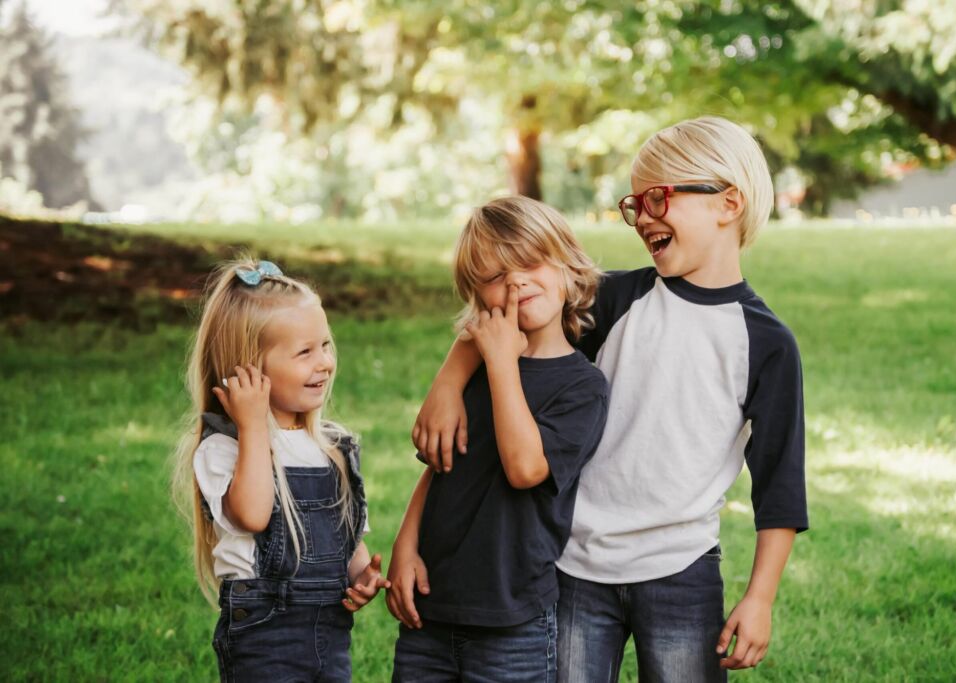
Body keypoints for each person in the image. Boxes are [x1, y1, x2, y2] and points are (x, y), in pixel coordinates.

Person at [412, 116, 808, 681]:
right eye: (635, 205)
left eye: (657, 199)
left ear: (728, 203)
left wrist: (760, 599)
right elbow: (511, 312)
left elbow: (781, 489)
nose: (643, 218)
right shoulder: (617, 297)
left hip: (682, 570)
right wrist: (448, 384)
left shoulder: (765, 343)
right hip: (575, 565)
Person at [386, 196, 610, 682]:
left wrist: (500, 362)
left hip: (514, 621)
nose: (515, 281)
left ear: (567, 268)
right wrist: (406, 546)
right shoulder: (473, 369)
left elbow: (525, 467)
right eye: (494, 276)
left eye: (531, 262)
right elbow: (442, 464)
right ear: (477, 296)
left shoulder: (583, 387)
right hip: (432, 608)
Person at [172, 257, 389, 683]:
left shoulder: (332, 448)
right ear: (249, 367)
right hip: (263, 636)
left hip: (329, 633)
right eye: (304, 352)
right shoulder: (225, 448)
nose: (324, 362)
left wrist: (362, 576)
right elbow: (252, 515)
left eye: (325, 345)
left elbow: (345, 543)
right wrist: (253, 425)